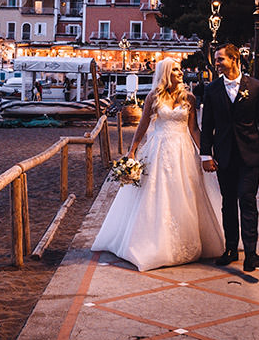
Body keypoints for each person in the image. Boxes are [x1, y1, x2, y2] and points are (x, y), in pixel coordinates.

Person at [92, 58, 225, 271]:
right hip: (159, 148)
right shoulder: (154, 97)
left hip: (183, 150)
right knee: (156, 193)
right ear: (165, 73)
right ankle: (152, 243)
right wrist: (132, 150)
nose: (180, 72)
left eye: (180, 69)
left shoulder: (188, 97)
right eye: (175, 70)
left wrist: (205, 154)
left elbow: (194, 130)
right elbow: (143, 125)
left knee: (185, 193)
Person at [200, 44, 259, 272]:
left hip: (250, 155)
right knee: (228, 203)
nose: (217, 63)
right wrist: (206, 155)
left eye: (220, 59)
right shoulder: (212, 89)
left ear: (234, 59)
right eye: (216, 59)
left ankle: (251, 254)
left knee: (247, 200)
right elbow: (207, 126)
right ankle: (231, 249)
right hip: (224, 156)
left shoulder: (256, 86)